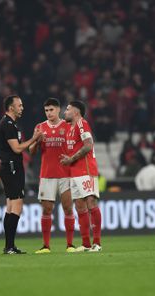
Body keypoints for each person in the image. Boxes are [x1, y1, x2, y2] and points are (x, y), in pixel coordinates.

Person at [29, 98, 76, 254]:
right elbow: (31, 151)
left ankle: (70, 245)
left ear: (58, 110)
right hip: (47, 174)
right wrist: (36, 142)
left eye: (51, 110)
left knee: (68, 208)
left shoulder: (68, 126)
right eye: (46, 110)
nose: (49, 113)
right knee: (47, 210)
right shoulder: (39, 127)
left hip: (66, 174)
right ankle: (46, 246)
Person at [0, 94, 42, 254]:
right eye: (20, 105)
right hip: (11, 167)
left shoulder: (10, 124)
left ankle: (9, 246)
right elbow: (16, 148)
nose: (22, 108)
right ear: (11, 107)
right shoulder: (8, 124)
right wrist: (34, 138)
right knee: (17, 205)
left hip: (11, 166)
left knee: (10, 206)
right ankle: (9, 246)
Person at [60, 100, 102, 252]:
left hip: (86, 169)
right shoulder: (70, 128)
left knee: (91, 203)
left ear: (76, 112)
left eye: (68, 109)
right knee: (79, 206)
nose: (65, 112)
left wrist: (71, 159)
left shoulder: (81, 123)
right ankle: (85, 244)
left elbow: (88, 145)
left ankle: (97, 243)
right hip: (74, 171)